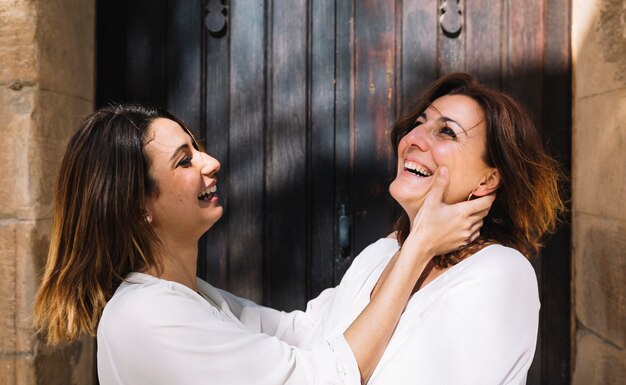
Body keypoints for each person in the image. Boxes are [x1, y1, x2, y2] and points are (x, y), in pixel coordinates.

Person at [33, 103, 494, 385]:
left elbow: (309, 330)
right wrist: (419, 249)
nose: (210, 162)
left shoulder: (193, 298)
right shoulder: (146, 317)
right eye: (184, 161)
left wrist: (408, 241)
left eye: (197, 146)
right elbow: (322, 378)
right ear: (139, 209)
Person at [295, 72, 566, 384]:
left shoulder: (500, 272)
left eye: (447, 132)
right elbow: (306, 331)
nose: (413, 139)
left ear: (487, 181)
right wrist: (222, 312)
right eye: (419, 123)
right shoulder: (384, 251)